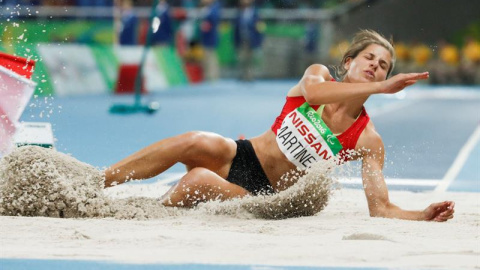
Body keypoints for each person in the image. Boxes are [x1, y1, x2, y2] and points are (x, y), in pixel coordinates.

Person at [104, 29, 455, 222]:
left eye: (383, 67)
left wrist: (421, 215)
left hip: (267, 194)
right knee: (194, 140)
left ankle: (139, 216)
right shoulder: (316, 76)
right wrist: (380, 88)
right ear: (348, 62)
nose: (375, 68)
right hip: (242, 155)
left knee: (196, 179)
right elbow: (315, 91)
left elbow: (380, 208)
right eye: (369, 59)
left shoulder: (366, 138)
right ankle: (97, 183)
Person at [233, 0, 264, 81]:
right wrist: (236, 41)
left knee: (250, 59)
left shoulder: (255, 13)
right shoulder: (239, 13)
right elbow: (236, 28)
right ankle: (242, 75)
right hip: (242, 39)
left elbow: (260, 28)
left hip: (251, 40)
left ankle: (250, 76)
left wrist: (259, 41)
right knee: (242, 59)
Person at [199, 0, 221, 81]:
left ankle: (213, 76)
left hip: (211, 36)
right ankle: (208, 76)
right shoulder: (207, 8)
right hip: (206, 37)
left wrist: (206, 25)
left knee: (211, 57)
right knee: (206, 57)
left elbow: (213, 20)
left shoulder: (215, 8)